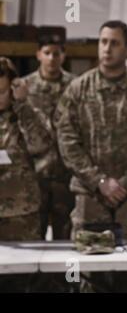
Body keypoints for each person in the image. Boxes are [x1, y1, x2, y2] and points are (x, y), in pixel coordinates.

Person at [55, 20, 127, 292]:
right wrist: (99, 181)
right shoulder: (78, 90)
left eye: (115, 43)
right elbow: (67, 141)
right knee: (90, 275)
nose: (107, 48)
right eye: (103, 41)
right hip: (91, 197)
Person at [0, 57, 52, 292]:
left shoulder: (26, 114)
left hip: (21, 214)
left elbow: (42, 144)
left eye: (2, 92)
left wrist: (22, 106)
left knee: (22, 280)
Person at [23, 34, 76, 240]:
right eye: (47, 53)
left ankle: (62, 274)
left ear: (63, 56)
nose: (52, 58)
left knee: (64, 236)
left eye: (56, 53)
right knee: (34, 234)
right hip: (35, 173)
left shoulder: (74, 86)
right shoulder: (24, 87)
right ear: (38, 55)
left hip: (66, 173)